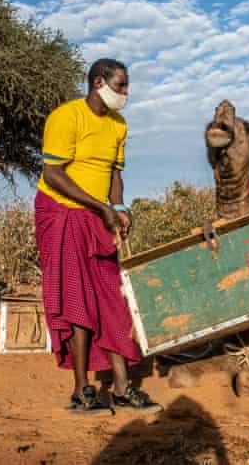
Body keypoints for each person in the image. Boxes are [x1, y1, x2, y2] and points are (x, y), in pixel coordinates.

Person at [34, 58, 158, 414]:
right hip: (60, 213)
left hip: (95, 218)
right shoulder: (66, 117)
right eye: (121, 85)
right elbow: (54, 173)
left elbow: (114, 174)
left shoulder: (118, 125)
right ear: (98, 82)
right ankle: (81, 389)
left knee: (111, 299)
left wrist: (118, 206)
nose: (126, 92)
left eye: (126, 85)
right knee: (77, 301)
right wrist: (100, 207)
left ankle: (121, 387)